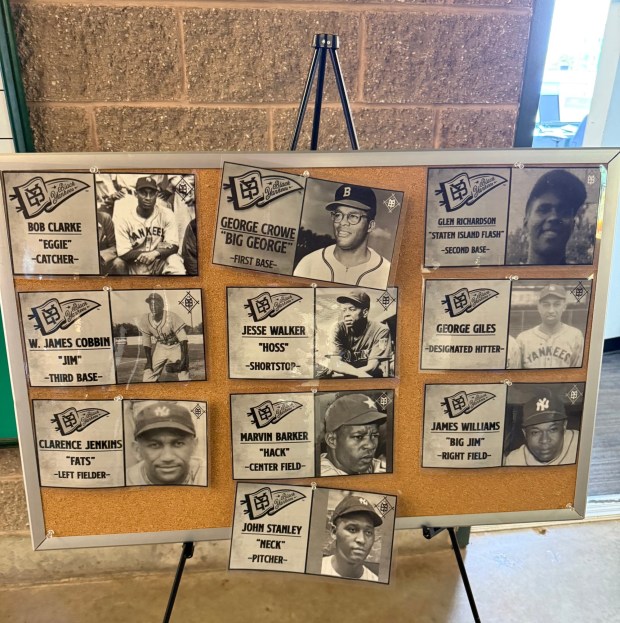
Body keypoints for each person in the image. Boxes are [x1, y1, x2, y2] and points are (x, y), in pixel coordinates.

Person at [293, 184, 391, 288]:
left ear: (370, 226)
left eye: (353, 216)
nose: (342, 222)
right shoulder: (308, 264)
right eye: (338, 215)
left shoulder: (386, 273)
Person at [113, 176, 186, 275]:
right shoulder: (124, 217)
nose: (148, 198)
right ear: (136, 194)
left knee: (175, 260)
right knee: (118, 263)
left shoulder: (167, 214)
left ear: (156, 194)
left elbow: (174, 246)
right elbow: (123, 252)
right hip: (135, 264)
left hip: (158, 262)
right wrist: (148, 255)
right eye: (143, 193)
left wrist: (155, 253)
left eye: (151, 193)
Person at [317, 290, 392, 378]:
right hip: (353, 378)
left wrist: (346, 372)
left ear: (365, 312)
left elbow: (372, 367)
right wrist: (357, 374)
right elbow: (336, 363)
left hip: (369, 380)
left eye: (352, 309)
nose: (346, 314)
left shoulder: (380, 330)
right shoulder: (338, 328)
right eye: (344, 310)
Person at [126, 402, 206, 485]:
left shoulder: (209, 475)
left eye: (178, 444)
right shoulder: (122, 481)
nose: (167, 457)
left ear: (194, 446)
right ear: (137, 450)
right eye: (154, 445)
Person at [521, 169, 587, 265]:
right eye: (543, 210)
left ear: (572, 226)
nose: (554, 217)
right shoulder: (507, 277)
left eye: (564, 211)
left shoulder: (585, 277)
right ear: (525, 225)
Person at [504, 389, 579, 466]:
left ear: (564, 426)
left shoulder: (580, 444)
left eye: (553, 429)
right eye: (535, 432)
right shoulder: (514, 460)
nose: (544, 440)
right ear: (525, 433)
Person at [516, 284, 584, 369]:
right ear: (539, 307)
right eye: (546, 305)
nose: (551, 310)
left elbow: (577, 374)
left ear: (564, 307)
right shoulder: (523, 339)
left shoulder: (575, 336)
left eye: (557, 304)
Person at [320, 394, 387, 476]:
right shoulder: (318, 474)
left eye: (374, 435)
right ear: (332, 440)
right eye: (359, 437)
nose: (371, 445)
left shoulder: (376, 466)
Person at [321, 495, 382, 581]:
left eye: (368, 532)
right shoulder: (315, 570)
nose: (362, 540)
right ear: (334, 532)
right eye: (352, 529)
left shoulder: (376, 582)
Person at [137, 293, 190, 382]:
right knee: (148, 375)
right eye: (151, 304)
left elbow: (183, 340)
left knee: (183, 373)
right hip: (160, 347)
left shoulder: (172, 316)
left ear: (162, 305)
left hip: (175, 347)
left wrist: (183, 361)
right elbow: (146, 342)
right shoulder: (145, 319)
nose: (153, 307)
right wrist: (149, 362)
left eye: (156, 304)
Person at [97, 210, 127, 274]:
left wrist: (100, 256)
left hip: (103, 260)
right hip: (83, 261)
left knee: (119, 264)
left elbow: (115, 246)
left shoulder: (104, 218)